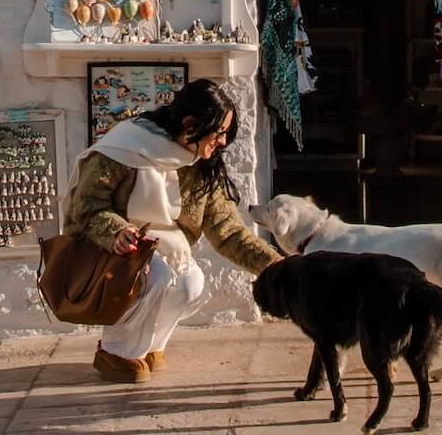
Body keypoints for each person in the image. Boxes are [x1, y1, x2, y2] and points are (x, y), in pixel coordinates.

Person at [61, 78, 280, 383]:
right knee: (159, 276)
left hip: (162, 249)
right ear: (190, 124)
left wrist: (274, 265)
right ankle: (114, 350)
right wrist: (117, 232)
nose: (222, 143)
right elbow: (86, 208)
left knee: (191, 282)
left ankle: (149, 346)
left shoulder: (201, 164)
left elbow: (227, 230)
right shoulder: (124, 147)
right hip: (106, 250)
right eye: (218, 134)